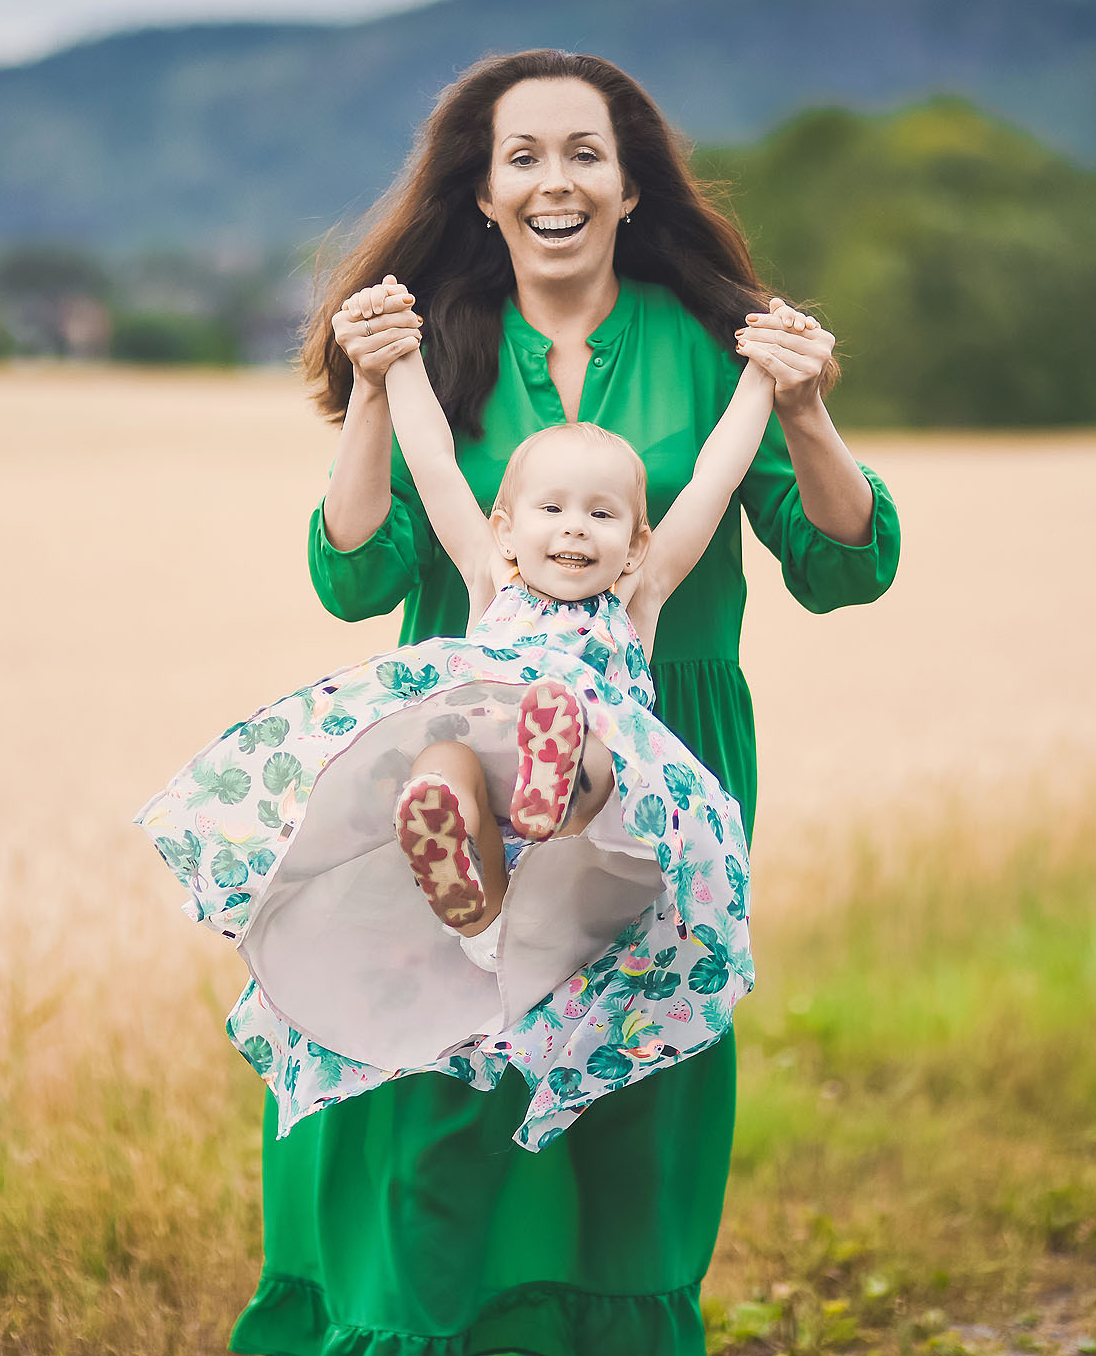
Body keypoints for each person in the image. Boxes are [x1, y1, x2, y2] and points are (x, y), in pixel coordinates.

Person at [264, 50, 896, 1355]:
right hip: (458, 739)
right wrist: (371, 387)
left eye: (585, 152)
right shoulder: (434, 339)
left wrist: (808, 408)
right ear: (483, 194)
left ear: (630, 184)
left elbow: (847, 561)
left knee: (627, 1094)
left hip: (658, 749)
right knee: (437, 1085)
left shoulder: (716, 343)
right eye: (524, 155)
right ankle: (414, 1333)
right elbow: (357, 566)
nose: (556, 178)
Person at [139, 299, 801, 1150]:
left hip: (577, 814)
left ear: (636, 544)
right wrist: (397, 365)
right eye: (552, 508)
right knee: (443, 755)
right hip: (495, 795)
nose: (574, 527)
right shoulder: (491, 579)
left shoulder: (642, 597)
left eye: (602, 516)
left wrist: (760, 381)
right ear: (505, 529)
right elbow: (438, 463)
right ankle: (458, 856)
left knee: (604, 750)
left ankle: (552, 780)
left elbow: (712, 480)